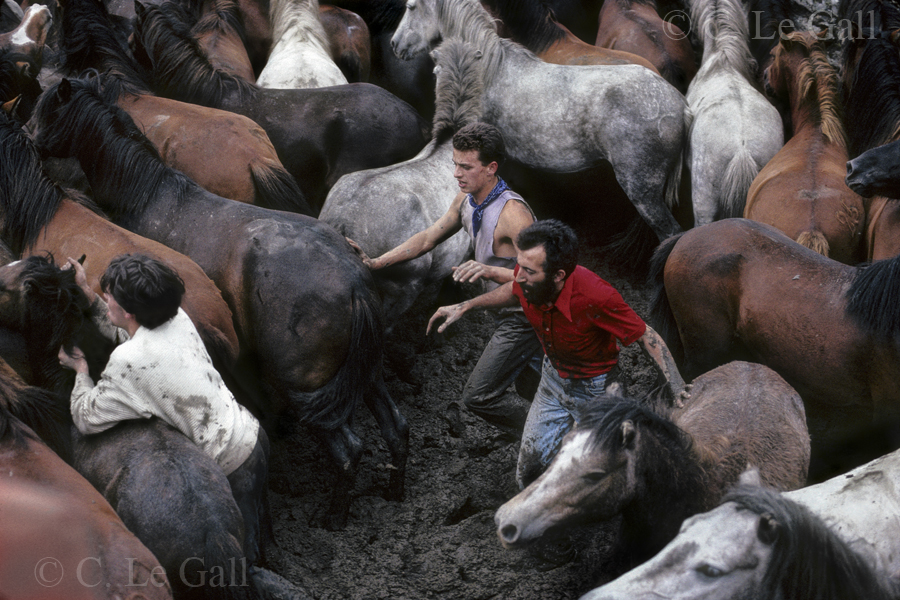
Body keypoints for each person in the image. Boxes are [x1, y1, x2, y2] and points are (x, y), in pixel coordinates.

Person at [427, 219, 686, 489]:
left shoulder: (597, 297)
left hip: (596, 394)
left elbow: (646, 334)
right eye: (519, 266)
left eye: (528, 271)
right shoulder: (527, 280)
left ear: (558, 275)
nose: (518, 275)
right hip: (552, 385)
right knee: (528, 475)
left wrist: (676, 384)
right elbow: (514, 291)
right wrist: (466, 305)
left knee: (601, 476)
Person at [58, 254, 270, 565]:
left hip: (230, 462)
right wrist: (90, 299)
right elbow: (132, 335)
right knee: (252, 532)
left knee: (239, 565)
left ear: (129, 310)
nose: (105, 297)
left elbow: (87, 417)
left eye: (109, 295)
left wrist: (80, 371)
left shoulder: (127, 362)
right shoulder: (176, 317)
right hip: (251, 435)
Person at [350, 122, 543, 437]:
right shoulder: (466, 200)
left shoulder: (513, 215)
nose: (456, 173)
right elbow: (428, 238)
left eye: (466, 166)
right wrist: (376, 262)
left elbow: (540, 278)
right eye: (455, 164)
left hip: (526, 318)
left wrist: (470, 299)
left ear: (491, 168)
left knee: (480, 396)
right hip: (504, 312)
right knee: (533, 387)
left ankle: (553, 434)